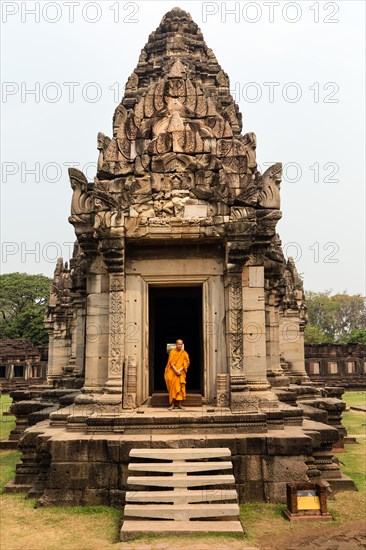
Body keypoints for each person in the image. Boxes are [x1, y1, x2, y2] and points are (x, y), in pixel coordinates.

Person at [164, 339, 190, 410]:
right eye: (179, 344)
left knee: (180, 388)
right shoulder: (172, 352)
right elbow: (171, 363)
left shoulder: (184, 353)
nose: (180, 345)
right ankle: (172, 405)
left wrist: (179, 370)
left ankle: (179, 405)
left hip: (180, 372)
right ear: (176, 345)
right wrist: (176, 371)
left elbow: (186, 363)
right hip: (173, 372)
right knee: (173, 388)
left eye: (181, 344)